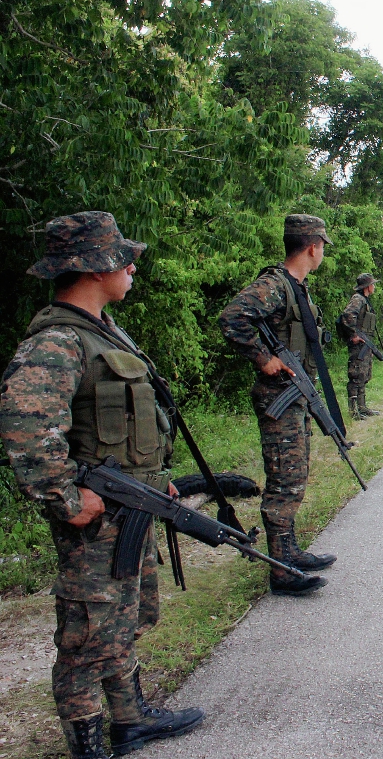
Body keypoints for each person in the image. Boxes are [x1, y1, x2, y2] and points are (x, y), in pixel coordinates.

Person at [0, 212, 205, 758]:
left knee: (126, 616)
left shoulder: (104, 332)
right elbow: (25, 426)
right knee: (87, 631)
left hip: (129, 509)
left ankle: (130, 718)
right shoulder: (60, 341)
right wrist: (66, 500)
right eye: (122, 258)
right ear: (94, 267)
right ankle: (88, 741)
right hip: (96, 515)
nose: (132, 265)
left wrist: (158, 480)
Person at [218, 214, 335, 597]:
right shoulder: (276, 285)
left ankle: (291, 553)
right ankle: (281, 571)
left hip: (296, 396)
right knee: (284, 478)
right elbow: (233, 317)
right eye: (322, 247)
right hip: (278, 399)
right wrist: (261, 357)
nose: (321, 254)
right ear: (312, 247)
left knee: (295, 475)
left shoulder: (296, 288)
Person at [339, 273, 380, 420]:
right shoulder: (358, 299)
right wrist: (354, 334)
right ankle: (353, 411)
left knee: (364, 374)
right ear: (367, 286)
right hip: (358, 345)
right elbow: (347, 315)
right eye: (372, 284)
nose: (374, 286)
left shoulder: (365, 300)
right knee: (356, 375)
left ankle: (362, 407)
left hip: (365, 342)